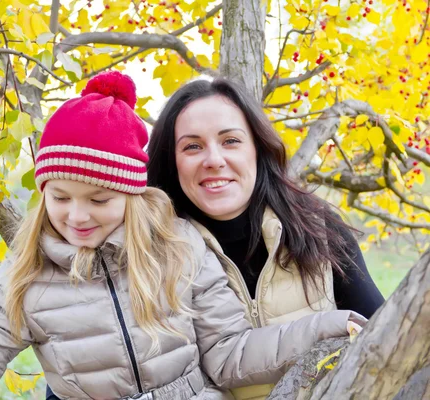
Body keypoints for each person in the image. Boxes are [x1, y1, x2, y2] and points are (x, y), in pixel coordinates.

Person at [0, 72, 364, 400]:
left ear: (134, 195)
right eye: (60, 198)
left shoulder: (181, 249)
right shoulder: (28, 275)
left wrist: (325, 326)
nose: (77, 216)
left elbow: (229, 354)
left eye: (100, 200)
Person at [146, 77, 384, 400]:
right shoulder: (151, 257)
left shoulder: (320, 231)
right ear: (171, 162)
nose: (214, 160)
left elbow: (385, 342)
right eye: (192, 146)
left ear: (257, 148)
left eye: (230, 141)